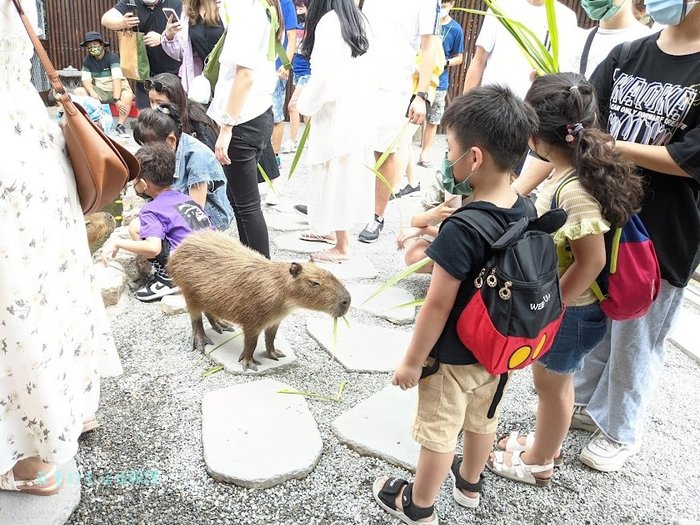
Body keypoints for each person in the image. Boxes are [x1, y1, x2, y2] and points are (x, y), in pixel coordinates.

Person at [372, 85, 538, 522]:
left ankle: (418, 505)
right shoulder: (524, 207)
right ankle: (469, 486)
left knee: (439, 431)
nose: (448, 157)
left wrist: (412, 361)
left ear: (476, 158)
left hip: (452, 356)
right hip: (499, 348)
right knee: (484, 419)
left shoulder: (463, 228)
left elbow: (437, 306)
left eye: (452, 148)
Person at [487, 72, 644, 485]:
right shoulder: (573, 172)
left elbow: (590, 260)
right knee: (559, 382)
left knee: (551, 386)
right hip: (574, 309)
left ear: (535, 138)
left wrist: (551, 307)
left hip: (572, 311)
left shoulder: (573, 190)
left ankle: (539, 460)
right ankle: (548, 443)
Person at [569, 2, 700, 472]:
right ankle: (584, 404)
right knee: (598, 311)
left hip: (664, 232)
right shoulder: (627, 55)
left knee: (639, 334)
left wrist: (612, 146)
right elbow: (583, 121)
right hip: (606, 220)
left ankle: (622, 429)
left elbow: (688, 158)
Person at [0, 0, 122, 496]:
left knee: (14, 295)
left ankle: (28, 452)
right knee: (46, 281)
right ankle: (67, 408)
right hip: (30, 145)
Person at [292, 0, 373, 263]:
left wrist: (304, 103)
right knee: (342, 174)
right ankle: (333, 233)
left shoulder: (329, 23)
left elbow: (323, 78)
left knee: (333, 175)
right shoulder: (358, 20)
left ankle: (342, 246)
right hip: (355, 110)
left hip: (334, 113)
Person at [357, 0, 440, 244]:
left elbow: (428, 48)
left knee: (384, 151)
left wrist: (421, 95)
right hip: (360, 78)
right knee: (349, 144)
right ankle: (333, 213)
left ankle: (377, 216)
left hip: (392, 86)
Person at [209, 0, 283, 259]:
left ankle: (263, 280)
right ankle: (253, 273)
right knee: (243, 204)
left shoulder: (246, 12)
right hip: (258, 112)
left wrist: (226, 127)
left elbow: (244, 75)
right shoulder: (263, 8)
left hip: (243, 119)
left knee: (247, 206)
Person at [103, 142, 213, 301]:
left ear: (143, 183)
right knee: (138, 225)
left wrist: (118, 243)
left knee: (136, 227)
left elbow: (153, 248)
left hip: (190, 268)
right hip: (211, 260)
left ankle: (168, 279)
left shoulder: (151, 209)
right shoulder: (185, 198)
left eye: (135, 181)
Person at [133, 104, 234, 233]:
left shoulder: (197, 157)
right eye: (144, 145)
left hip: (206, 221)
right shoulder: (167, 151)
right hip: (179, 212)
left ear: (171, 140)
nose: (146, 149)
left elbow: (196, 217)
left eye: (150, 145)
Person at [462, 0, 578, 100]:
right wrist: (464, 107)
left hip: (534, 110)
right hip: (492, 104)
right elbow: (479, 60)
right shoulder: (501, 6)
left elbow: (563, 74)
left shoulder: (566, 18)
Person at [101, 0, 183, 109]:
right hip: (144, 73)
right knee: (144, 117)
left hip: (173, 74)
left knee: (174, 116)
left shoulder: (175, 3)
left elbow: (186, 36)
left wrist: (162, 39)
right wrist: (123, 23)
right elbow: (106, 19)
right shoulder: (131, 2)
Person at [416, 0, 464, 170]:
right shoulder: (423, 19)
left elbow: (460, 56)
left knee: (433, 120)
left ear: (452, 4)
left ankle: (424, 153)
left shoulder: (456, 29)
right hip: (417, 80)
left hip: (439, 82)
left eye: (445, 3)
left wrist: (445, 62)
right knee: (412, 119)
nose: (442, 6)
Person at [395, 167, 471, 273]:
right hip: (450, 233)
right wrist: (435, 213)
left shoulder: (488, 183)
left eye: (449, 150)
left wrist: (424, 230)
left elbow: (466, 236)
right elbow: (415, 221)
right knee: (412, 251)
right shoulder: (446, 177)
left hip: (475, 242)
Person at [161, 0, 226, 92]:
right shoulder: (189, 12)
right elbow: (182, 52)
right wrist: (169, 35)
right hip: (203, 81)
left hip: (229, 76)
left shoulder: (227, 7)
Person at [79, 30, 134, 137]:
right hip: (102, 91)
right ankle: (92, 121)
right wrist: (91, 92)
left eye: (95, 44)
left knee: (127, 95)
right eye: (89, 45)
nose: (92, 47)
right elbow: (86, 80)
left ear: (102, 45)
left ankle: (120, 126)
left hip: (118, 90)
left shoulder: (112, 57)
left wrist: (116, 99)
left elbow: (116, 79)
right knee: (79, 91)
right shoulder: (87, 60)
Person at [145, 72, 219, 150]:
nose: (154, 108)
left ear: (174, 101)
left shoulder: (199, 124)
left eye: (159, 103)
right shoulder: (156, 120)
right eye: (151, 101)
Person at [270, 0, 299, 161]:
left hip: (277, 66)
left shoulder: (285, 2)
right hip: (258, 65)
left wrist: (286, 64)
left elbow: (292, 34)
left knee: (275, 114)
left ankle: (275, 156)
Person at [283, 0, 310, 154]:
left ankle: (292, 141)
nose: (298, 10)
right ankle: (310, 139)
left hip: (308, 72)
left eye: (301, 7)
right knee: (306, 108)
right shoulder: (295, 25)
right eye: (297, 7)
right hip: (298, 71)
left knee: (293, 105)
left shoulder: (312, 26)